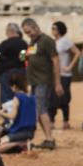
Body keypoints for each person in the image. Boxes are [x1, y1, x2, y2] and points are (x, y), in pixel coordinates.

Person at [21, 18, 62, 149]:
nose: (29, 34)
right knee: (37, 110)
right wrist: (24, 55)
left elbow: (55, 60)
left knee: (41, 109)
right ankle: (48, 138)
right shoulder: (33, 42)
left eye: (29, 31)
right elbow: (28, 57)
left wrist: (57, 82)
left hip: (43, 80)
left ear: (36, 27)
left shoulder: (47, 41)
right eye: (26, 33)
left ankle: (49, 138)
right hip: (34, 81)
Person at [0, 71, 36, 154]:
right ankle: (22, 145)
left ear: (14, 86)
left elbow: (12, 116)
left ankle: (21, 144)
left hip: (19, 131)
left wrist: (2, 113)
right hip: (30, 132)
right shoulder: (32, 98)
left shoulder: (17, 98)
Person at [50, 21, 79, 130]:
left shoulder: (65, 41)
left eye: (54, 28)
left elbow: (77, 52)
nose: (52, 31)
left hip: (64, 73)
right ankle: (52, 121)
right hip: (54, 74)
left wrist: (70, 66)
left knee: (64, 97)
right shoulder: (52, 42)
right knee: (53, 98)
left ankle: (66, 121)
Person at [0, 23, 27, 104]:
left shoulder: (5, 44)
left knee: (6, 97)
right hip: (20, 71)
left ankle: (8, 114)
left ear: (10, 31)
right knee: (20, 94)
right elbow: (23, 58)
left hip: (6, 72)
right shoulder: (23, 43)